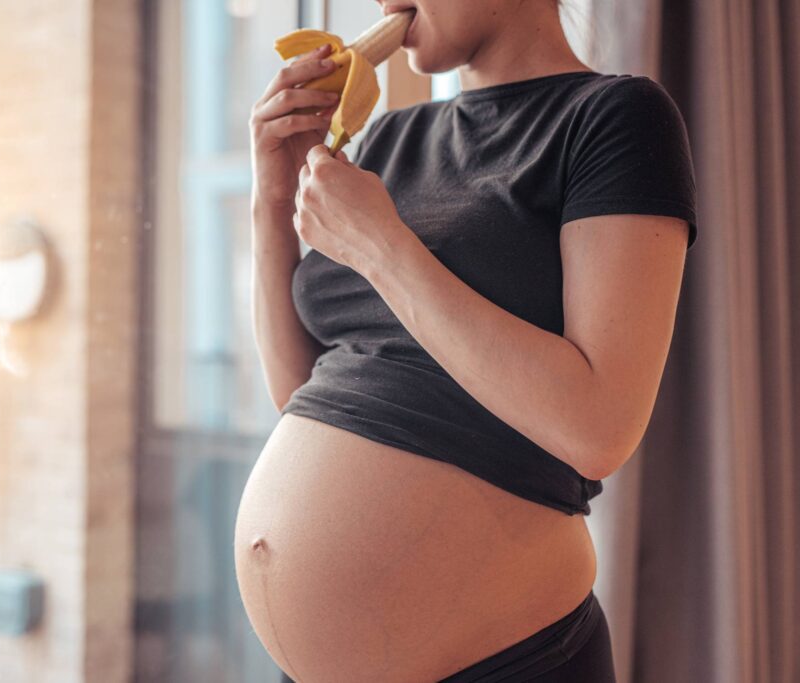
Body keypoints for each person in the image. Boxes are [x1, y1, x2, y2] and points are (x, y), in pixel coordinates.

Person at [234, 0, 697, 680]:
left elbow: (601, 426)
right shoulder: (388, 141)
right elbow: (301, 393)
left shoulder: (614, 119)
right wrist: (272, 199)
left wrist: (385, 247)